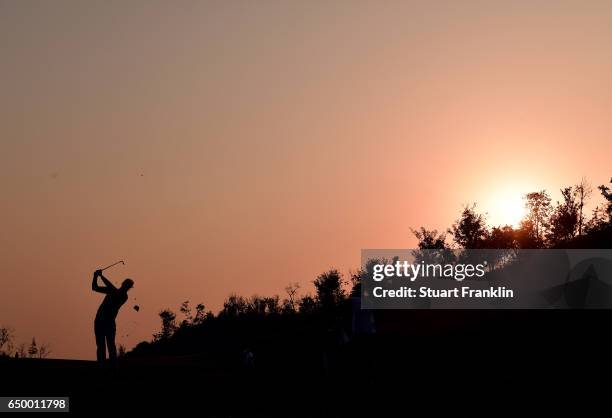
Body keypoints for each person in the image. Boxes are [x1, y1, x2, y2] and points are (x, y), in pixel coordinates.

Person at [92, 269, 134, 366]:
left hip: (109, 323)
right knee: (101, 345)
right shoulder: (112, 290)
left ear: (128, 288)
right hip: (99, 321)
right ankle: (102, 366)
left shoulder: (123, 296)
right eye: (126, 285)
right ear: (123, 283)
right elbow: (94, 288)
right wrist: (95, 276)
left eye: (127, 286)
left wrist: (101, 276)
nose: (125, 287)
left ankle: (112, 367)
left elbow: (111, 287)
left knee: (110, 346)